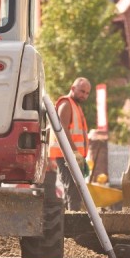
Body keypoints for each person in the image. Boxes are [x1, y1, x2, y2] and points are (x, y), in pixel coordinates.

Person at [48, 77, 91, 211]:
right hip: (67, 155)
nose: (84, 95)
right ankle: (73, 224)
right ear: (73, 88)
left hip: (73, 155)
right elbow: (62, 129)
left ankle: (69, 223)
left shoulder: (75, 105)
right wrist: (75, 153)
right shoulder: (66, 103)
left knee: (74, 190)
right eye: (82, 91)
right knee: (73, 190)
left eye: (87, 93)